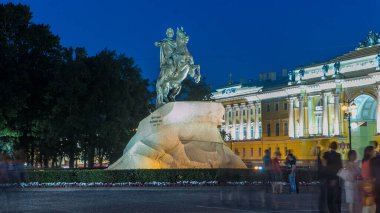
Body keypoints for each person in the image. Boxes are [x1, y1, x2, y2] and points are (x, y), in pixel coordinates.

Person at [322, 141, 343, 213]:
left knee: (329, 197)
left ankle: (331, 211)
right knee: (336, 197)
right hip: (336, 179)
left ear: (330, 146)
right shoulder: (338, 155)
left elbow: (324, 165)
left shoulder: (326, 154)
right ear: (336, 147)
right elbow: (340, 168)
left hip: (328, 178)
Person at [361, 146, 376, 213]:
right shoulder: (370, 163)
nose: (375, 152)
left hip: (367, 186)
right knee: (370, 207)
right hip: (370, 187)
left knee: (368, 206)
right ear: (370, 152)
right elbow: (371, 176)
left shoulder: (365, 162)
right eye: (374, 151)